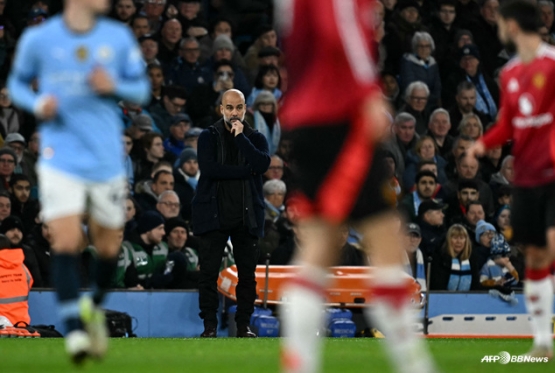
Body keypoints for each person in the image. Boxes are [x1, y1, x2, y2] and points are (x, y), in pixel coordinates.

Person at [276, 1, 436, 372]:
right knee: (385, 241)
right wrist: (368, 94)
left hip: (308, 119)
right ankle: (414, 364)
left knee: (318, 247)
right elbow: (341, 32)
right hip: (339, 121)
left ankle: (298, 362)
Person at [7, 0, 150, 362]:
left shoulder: (116, 37)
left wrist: (113, 83)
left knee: (106, 247)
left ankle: (94, 305)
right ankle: (74, 333)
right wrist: (38, 104)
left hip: (105, 159)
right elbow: (17, 84)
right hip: (61, 158)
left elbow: (141, 91)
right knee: (67, 240)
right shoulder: (41, 39)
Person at [466, 0, 555, 358]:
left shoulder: (554, 65)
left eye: (502, 23)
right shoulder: (508, 73)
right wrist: (482, 144)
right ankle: (543, 342)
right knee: (535, 254)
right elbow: (507, 124)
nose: (499, 29)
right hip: (526, 178)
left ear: (513, 26)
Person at [192, 89, 270, 339]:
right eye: (229, 108)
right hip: (213, 215)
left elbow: (261, 165)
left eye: (238, 108)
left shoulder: (255, 138)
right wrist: (245, 171)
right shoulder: (208, 136)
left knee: (247, 276)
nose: (234, 113)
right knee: (208, 274)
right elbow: (209, 169)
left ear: (245, 108)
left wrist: (240, 140)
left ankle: (243, 326)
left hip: (247, 217)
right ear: (221, 109)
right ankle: (210, 327)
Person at [430, 223, 480, 291]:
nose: (458, 241)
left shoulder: (472, 259)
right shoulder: (440, 258)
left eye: (462, 238)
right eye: (455, 238)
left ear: (466, 241)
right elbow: (437, 286)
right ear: (449, 240)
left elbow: (475, 285)